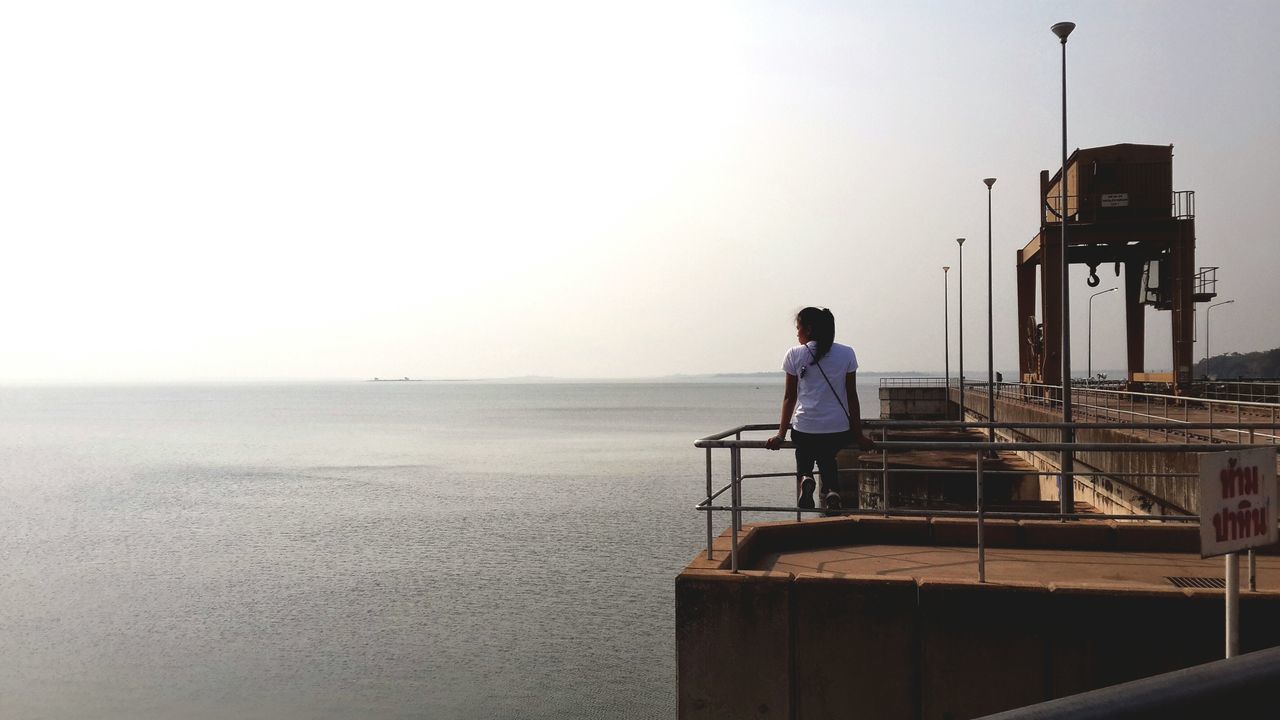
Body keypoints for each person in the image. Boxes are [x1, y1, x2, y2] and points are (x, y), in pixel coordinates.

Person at [765, 307, 874, 512]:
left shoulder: (794, 354)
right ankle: (832, 490)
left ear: (808, 328)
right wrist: (858, 435)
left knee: (804, 451)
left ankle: (806, 477)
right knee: (827, 456)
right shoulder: (846, 353)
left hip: (805, 427)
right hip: (837, 428)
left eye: (798, 328)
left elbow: (790, 397)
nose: (797, 333)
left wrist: (781, 434)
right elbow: (852, 396)